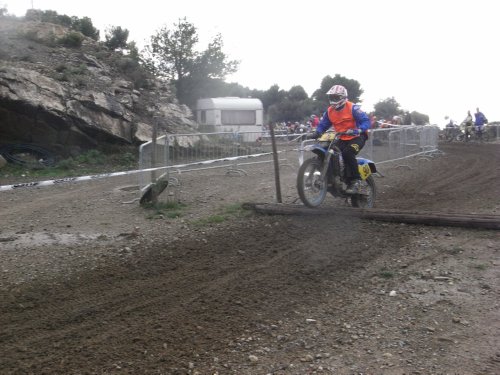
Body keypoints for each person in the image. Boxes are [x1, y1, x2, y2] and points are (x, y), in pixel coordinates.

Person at [312, 84, 371, 194]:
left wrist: (358, 129)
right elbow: (323, 124)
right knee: (331, 153)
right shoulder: (330, 111)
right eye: (331, 97)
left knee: (348, 152)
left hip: (358, 136)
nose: (333, 100)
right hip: (342, 137)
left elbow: (366, 121)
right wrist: (317, 132)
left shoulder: (352, 107)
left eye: (336, 97)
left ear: (343, 97)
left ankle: (356, 181)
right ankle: (336, 178)